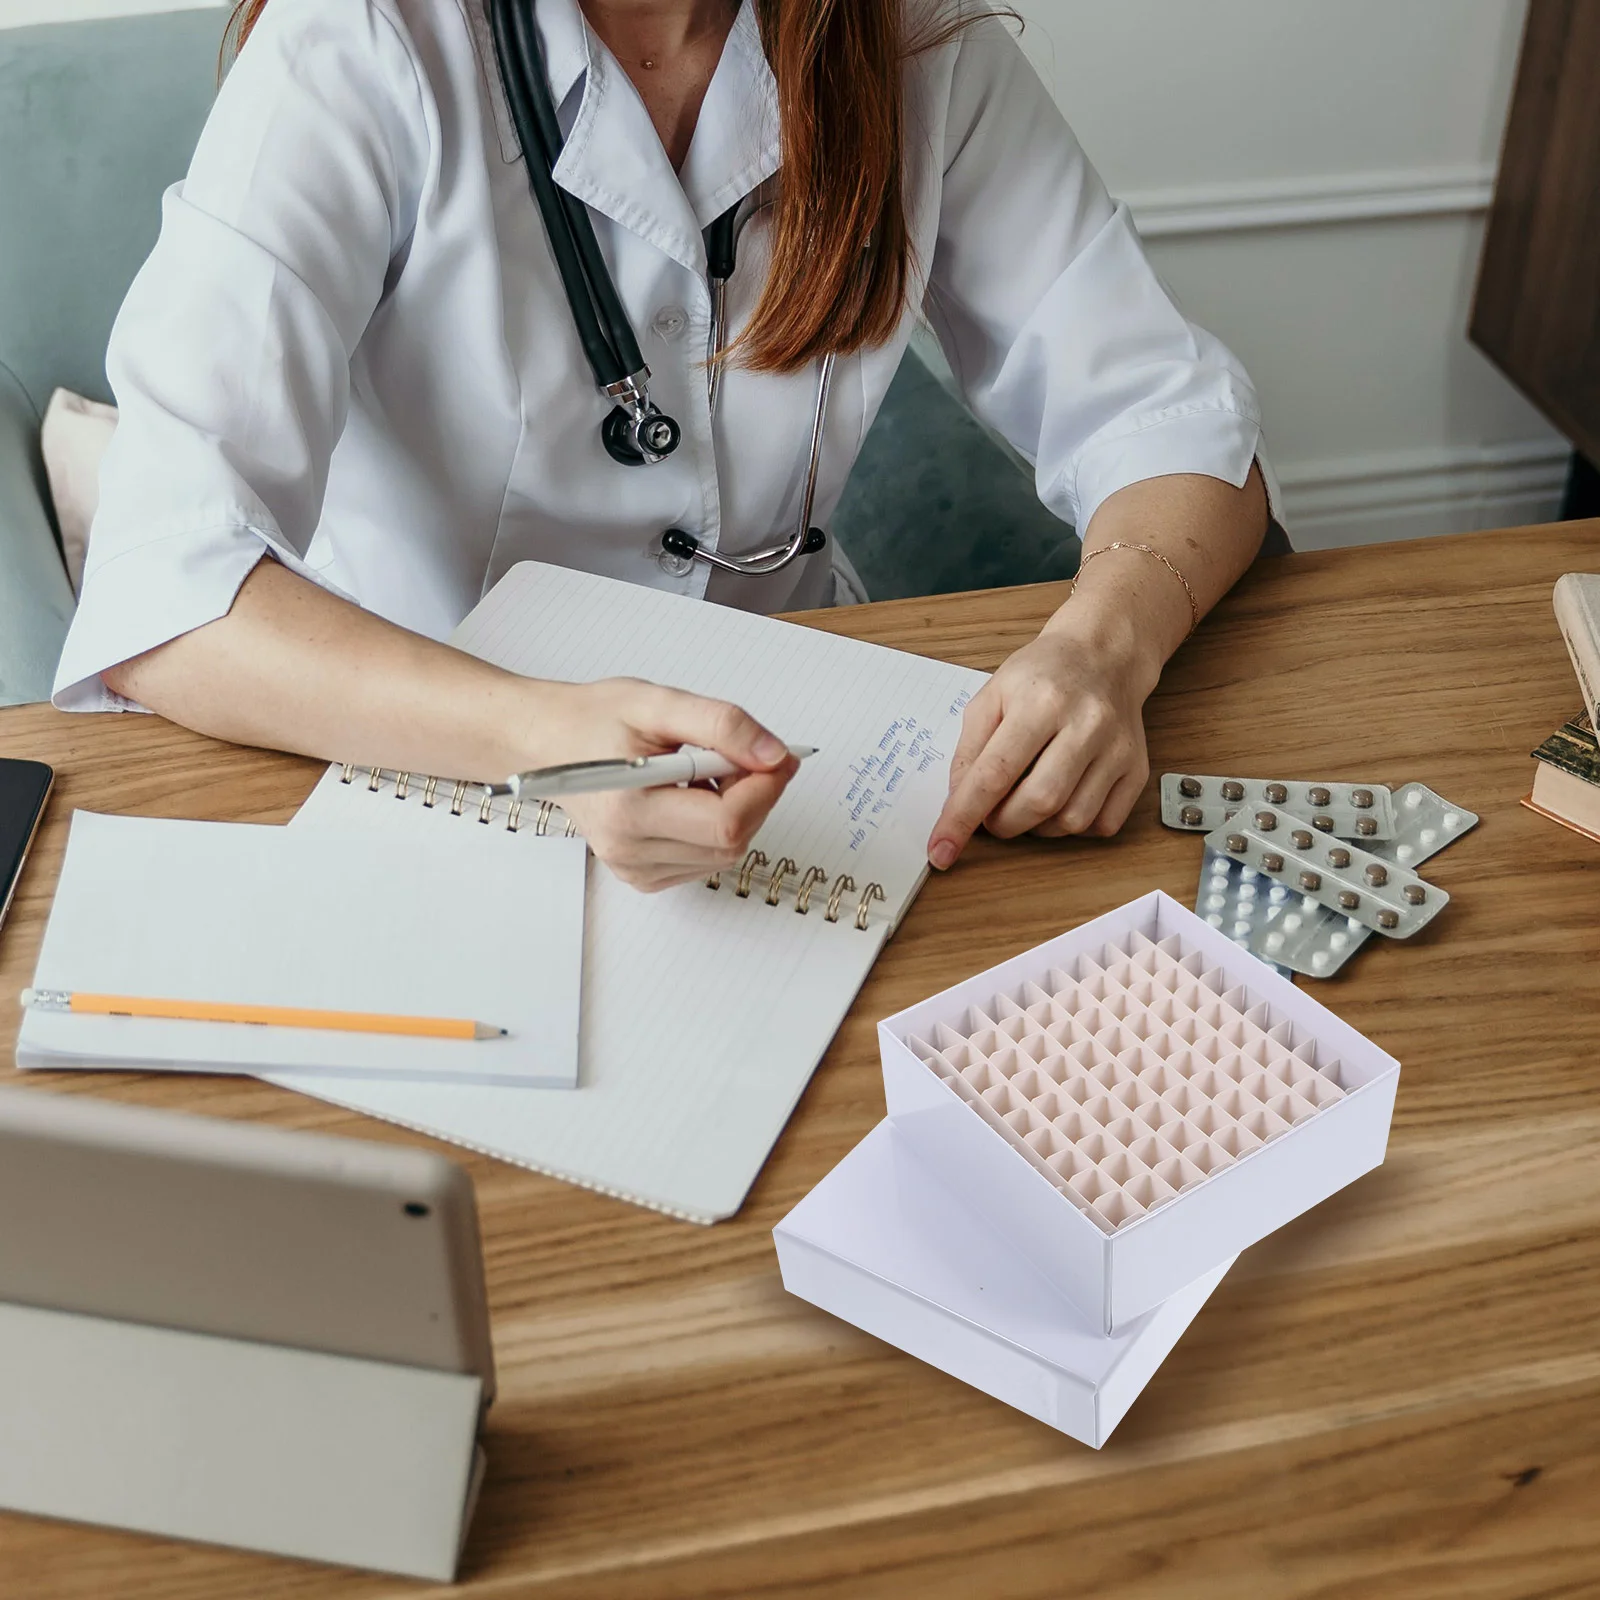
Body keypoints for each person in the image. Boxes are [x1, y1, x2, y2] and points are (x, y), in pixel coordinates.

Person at [52, 0, 1274, 891]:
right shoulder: (361, 41)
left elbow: (1166, 420)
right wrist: (545, 739)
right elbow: (168, 586)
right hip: (417, 754)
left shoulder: (914, 41)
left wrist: (1103, 646)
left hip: (805, 760)